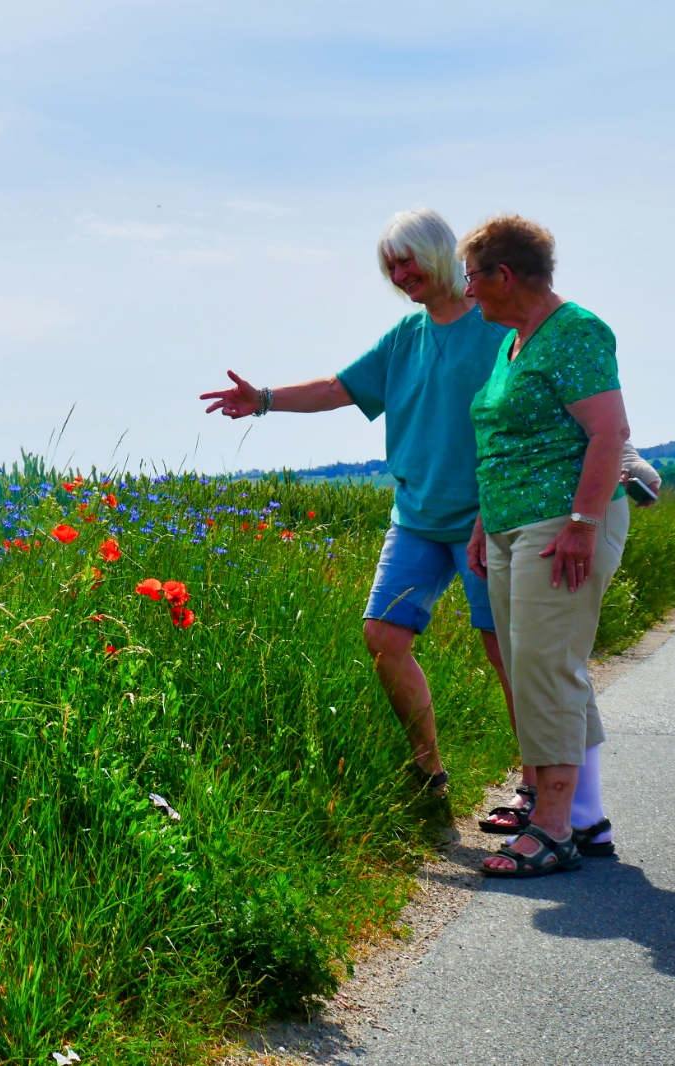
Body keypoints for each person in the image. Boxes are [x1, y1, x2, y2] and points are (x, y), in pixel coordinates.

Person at [200, 208, 513, 795]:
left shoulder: (499, 332)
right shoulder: (405, 339)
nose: (399, 276)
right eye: (390, 267)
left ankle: (542, 789)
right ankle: (428, 770)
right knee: (383, 637)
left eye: (407, 261)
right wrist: (263, 398)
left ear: (438, 253)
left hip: (484, 520)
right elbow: (336, 389)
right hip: (416, 517)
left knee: (506, 653)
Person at [460, 214, 629, 877]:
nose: (467, 291)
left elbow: (609, 432)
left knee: (546, 669)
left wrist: (583, 523)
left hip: (562, 525)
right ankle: (580, 818)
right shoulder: (515, 343)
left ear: (504, 274)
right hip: (511, 523)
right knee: (536, 663)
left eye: (472, 277)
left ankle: (554, 827)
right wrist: (484, 519)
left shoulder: (576, 332)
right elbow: (507, 443)